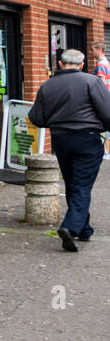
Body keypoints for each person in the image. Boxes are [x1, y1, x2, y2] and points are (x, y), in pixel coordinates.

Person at [28, 48, 110, 251]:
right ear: (82, 65)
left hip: (60, 139)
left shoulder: (47, 85)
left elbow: (36, 118)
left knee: (73, 183)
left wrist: (55, 121)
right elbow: (107, 112)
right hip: (86, 138)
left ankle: (84, 229)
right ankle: (70, 227)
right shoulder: (91, 81)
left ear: (60, 64)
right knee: (82, 185)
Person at [92, 42, 110, 159]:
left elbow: (101, 84)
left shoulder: (101, 65)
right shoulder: (106, 63)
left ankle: (105, 151)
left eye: (92, 50)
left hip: (104, 98)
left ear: (99, 50)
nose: (91, 52)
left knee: (102, 125)